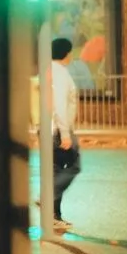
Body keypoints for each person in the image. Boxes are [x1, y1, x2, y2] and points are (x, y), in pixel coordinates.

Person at [51, 36, 81, 230]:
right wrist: (65, 133)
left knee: (56, 170)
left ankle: (55, 215)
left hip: (52, 129)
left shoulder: (50, 71)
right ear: (67, 53)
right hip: (60, 130)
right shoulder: (60, 74)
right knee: (73, 166)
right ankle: (48, 200)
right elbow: (60, 105)